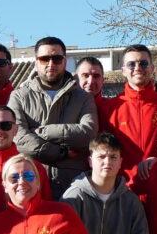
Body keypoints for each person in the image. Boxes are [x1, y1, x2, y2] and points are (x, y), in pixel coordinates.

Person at [10, 36, 98, 193]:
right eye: (45, 59)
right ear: (36, 61)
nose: (51, 64)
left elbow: (88, 132)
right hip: (31, 182)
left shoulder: (83, 97)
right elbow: (19, 136)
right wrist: (60, 152)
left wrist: (42, 131)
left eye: (57, 59)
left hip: (73, 184)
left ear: (65, 61)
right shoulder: (18, 96)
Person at [105, 44, 157, 178]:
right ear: (123, 70)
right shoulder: (110, 108)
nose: (138, 68)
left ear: (152, 68)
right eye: (131, 64)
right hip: (123, 188)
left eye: (143, 63)